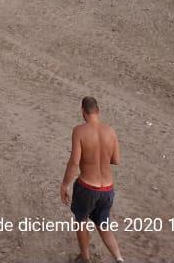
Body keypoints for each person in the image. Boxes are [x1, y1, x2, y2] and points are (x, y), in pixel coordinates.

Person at [60, 96, 123, 262]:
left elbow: (74, 162)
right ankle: (119, 258)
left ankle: (85, 258)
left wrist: (65, 185)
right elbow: (116, 160)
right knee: (104, 225)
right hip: (108, 189)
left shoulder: (79, 131)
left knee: (81, 222)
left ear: (82, 112)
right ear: (98, 111)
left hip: (87, 187)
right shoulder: (110, 131)